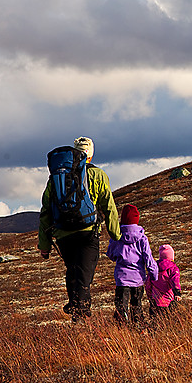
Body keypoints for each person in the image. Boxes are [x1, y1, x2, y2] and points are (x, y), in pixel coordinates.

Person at [38, 137, 121, 322]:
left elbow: (45, 212)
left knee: (73, 270)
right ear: (90, 155)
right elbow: (109, 206)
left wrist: (44, 245)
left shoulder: (56, 178)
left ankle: (76, 308)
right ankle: (80, 314)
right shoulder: (98, 175)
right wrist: (116, 235)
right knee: (84, 274)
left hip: (63, 233)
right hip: (88, 232)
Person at [105, 204, 158, 326]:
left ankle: (123, 324)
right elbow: (148, 258)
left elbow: (111, 254)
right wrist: (154, 275)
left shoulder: (117, 236)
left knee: (121, 305)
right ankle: (138, 325)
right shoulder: (142, 238)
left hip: (122, 279)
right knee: (136, 305)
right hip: (138, 279)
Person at [150, 244, 181, 317]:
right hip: (168, 299)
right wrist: (177, 292)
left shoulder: (154, 267)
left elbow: (149, 282)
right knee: (169, 318)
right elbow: (175, 281)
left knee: (155, 319)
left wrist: (149, 295)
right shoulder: (173, 268)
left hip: (155, 299)